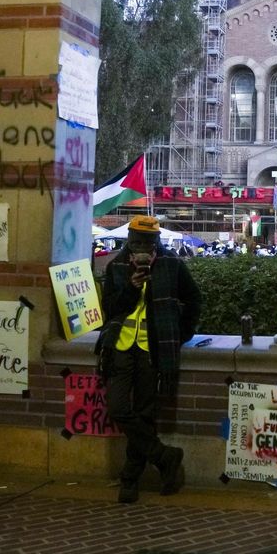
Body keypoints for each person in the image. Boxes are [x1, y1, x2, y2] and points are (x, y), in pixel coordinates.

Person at [97, 214, 201, 503]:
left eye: (149, 242)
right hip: (120, 346)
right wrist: (131, 287)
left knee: (144, 413)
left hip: (153, 349)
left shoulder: (171, 264)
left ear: (157, 241)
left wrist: (181, 334)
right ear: (129, 241)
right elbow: (111, 309)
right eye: (138, 242)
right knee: (118, 408)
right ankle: (164, 455)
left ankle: (130, 479)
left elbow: (194, 299)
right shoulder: (116, 266)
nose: (143, 248)